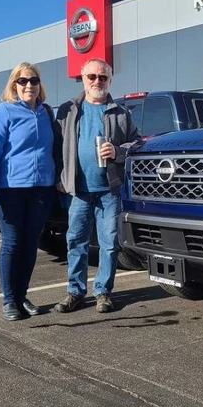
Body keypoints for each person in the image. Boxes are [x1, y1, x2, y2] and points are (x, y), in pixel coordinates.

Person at [53, 58, 141, 313]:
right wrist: (60, 175)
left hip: (108, 190)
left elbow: (136, 144)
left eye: (102, 77)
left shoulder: (121, 113)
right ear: (83, 78)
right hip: (78, 190)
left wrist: (117, 150)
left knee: (110, 244)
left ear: (110, 80)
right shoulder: (68, 110)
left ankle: (103, 291)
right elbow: (55, 147)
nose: (97, 81)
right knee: (76, 242)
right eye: (92, 76)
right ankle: (75, 292)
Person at [0, 62, 59, 321]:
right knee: (12, 243)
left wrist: (57, 178)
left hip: (41, 189)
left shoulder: (46, 112)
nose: (28, 86)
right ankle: (8, 300)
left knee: (30, 245)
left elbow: (55, 149)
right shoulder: (4, 111)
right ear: (14, 85)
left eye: (33, 81)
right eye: (22, 81)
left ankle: (22, 295)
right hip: (10, 189)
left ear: (39, 84)